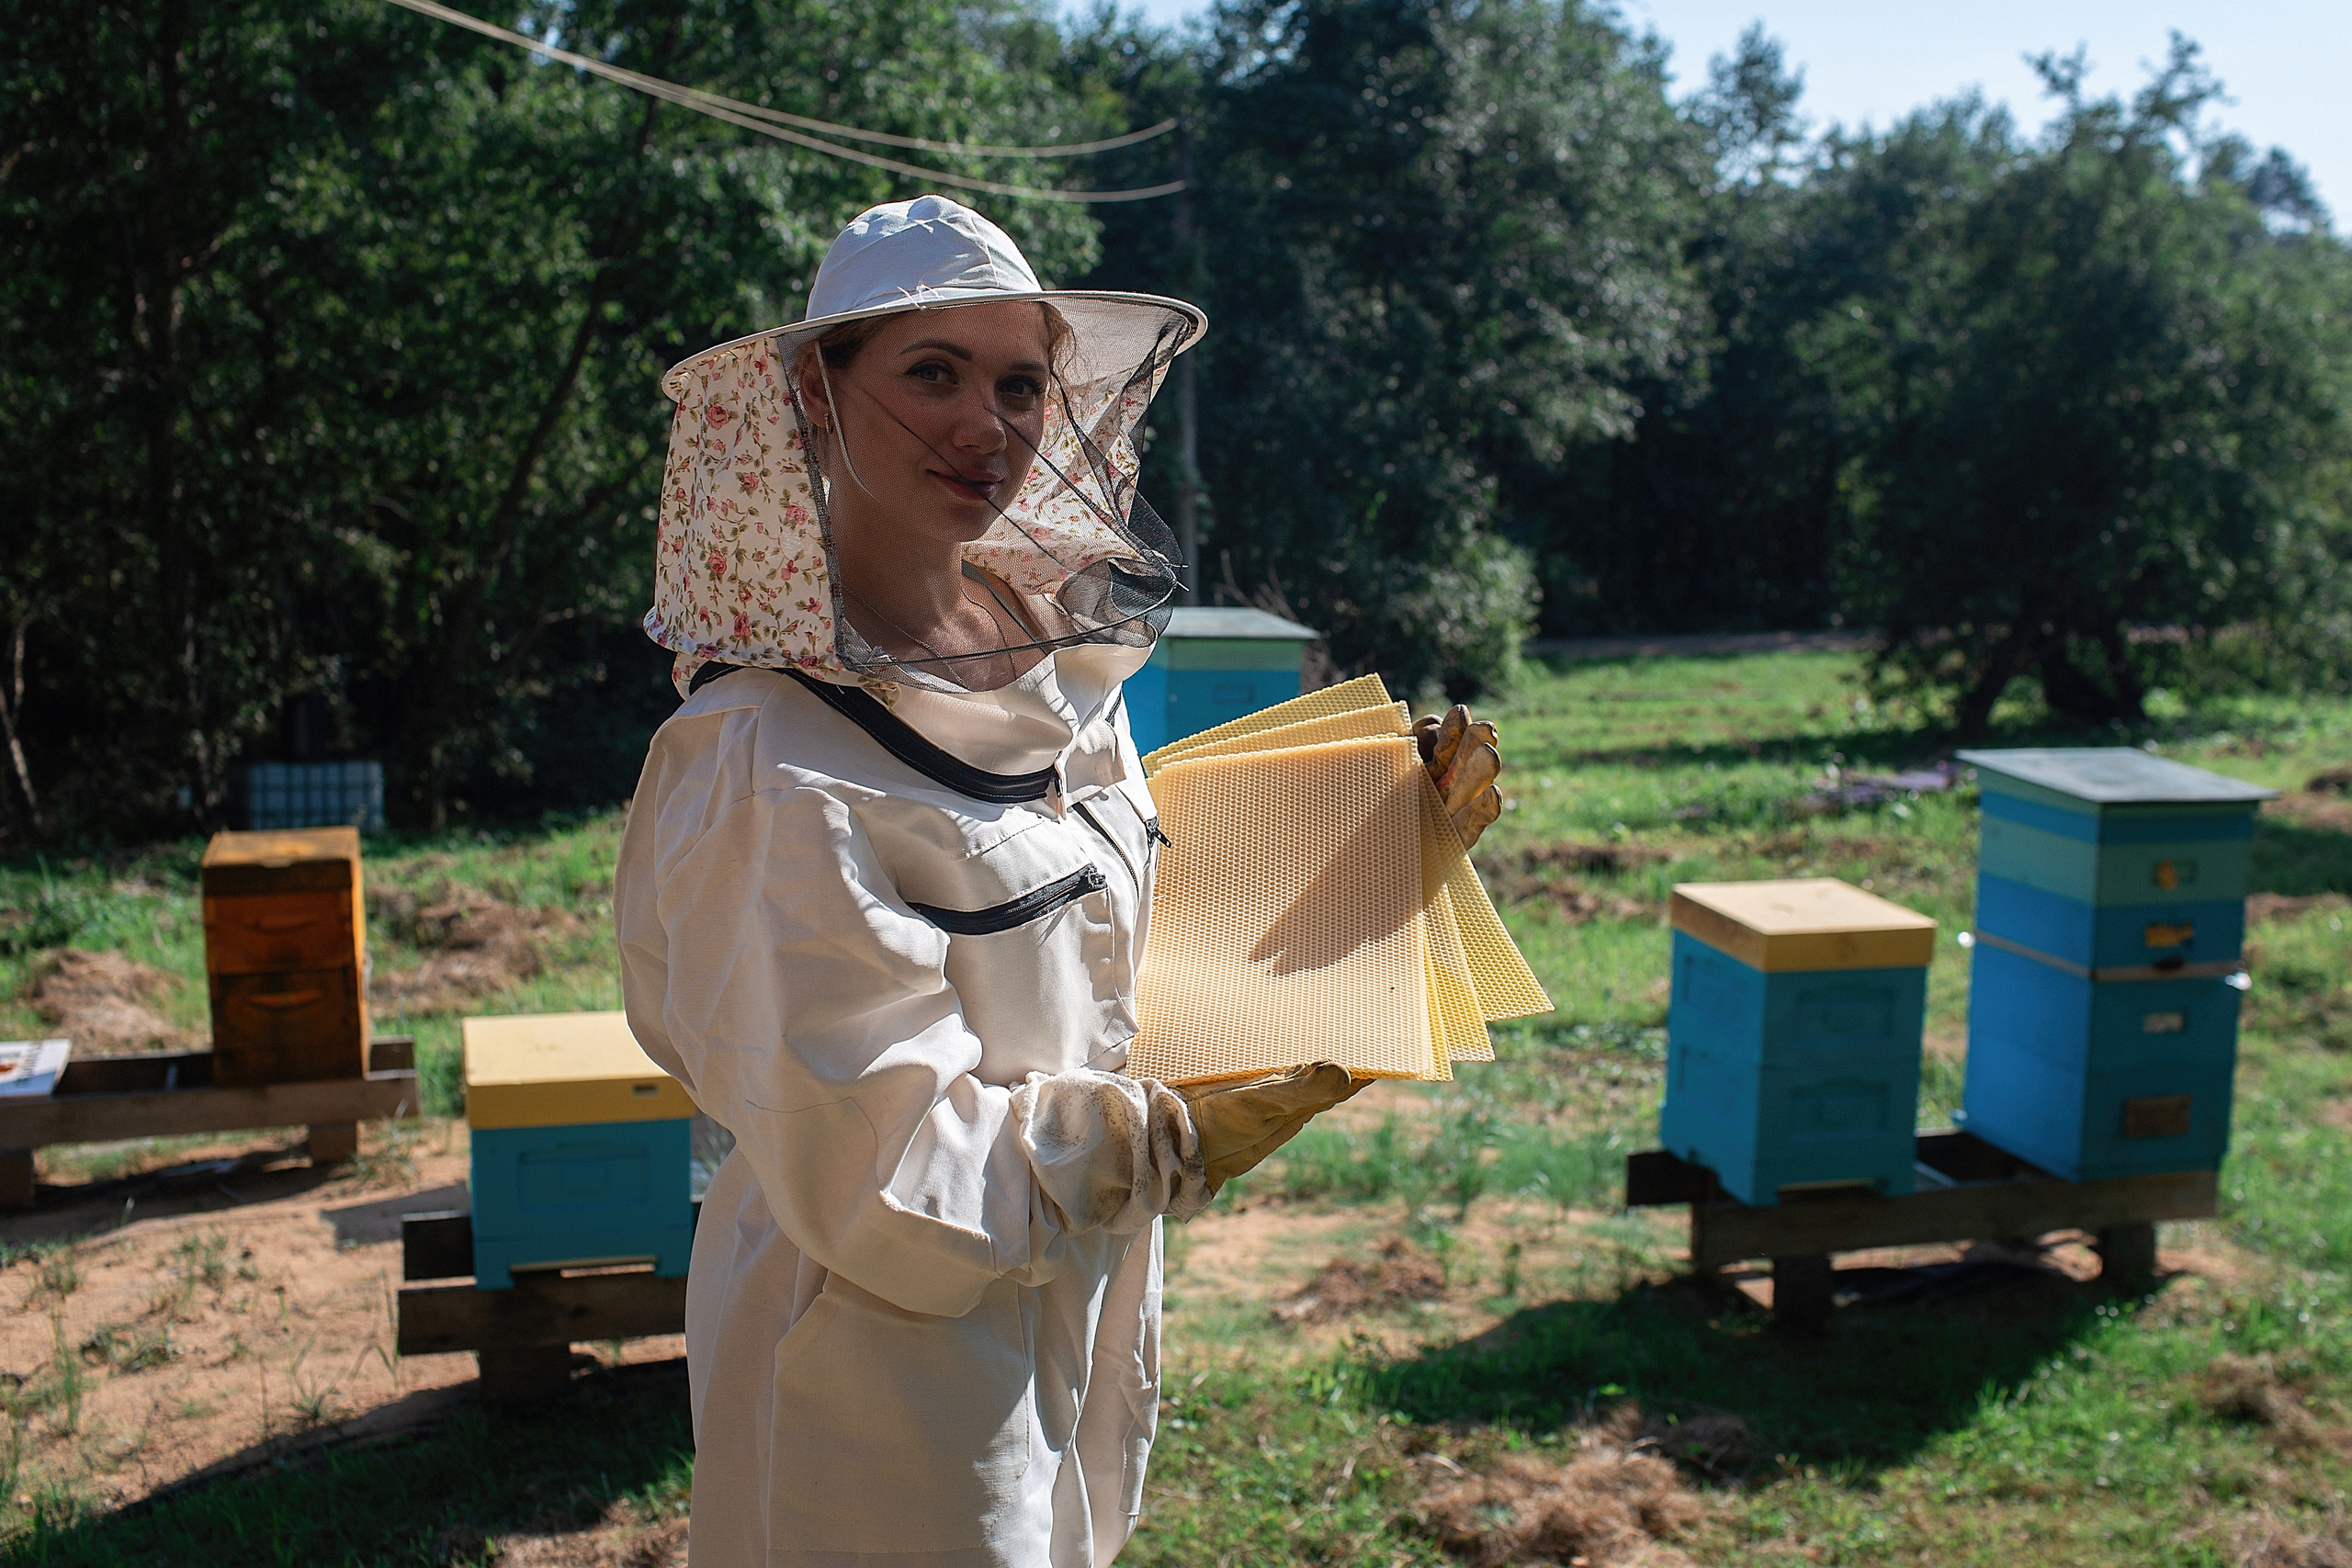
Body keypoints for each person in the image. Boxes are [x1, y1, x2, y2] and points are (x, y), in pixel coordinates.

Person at [613, 195, 1499, 1568]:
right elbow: (880, 1168)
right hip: (879, 1355)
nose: (989, 423)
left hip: (1075, 1289)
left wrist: (1369, 853)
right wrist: (1160, 1143)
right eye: (931, 372)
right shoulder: (764, 760)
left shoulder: (1047, 663)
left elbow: (1102, 912)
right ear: (814, 394)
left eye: (1021, 382)